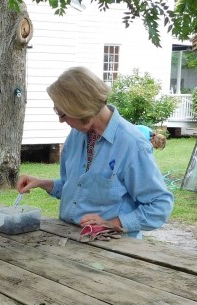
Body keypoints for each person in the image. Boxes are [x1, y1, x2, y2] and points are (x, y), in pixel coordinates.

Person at [16, 66, 174, 238]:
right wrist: (42, 182)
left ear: (82, 107)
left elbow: (160, 205)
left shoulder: (132, 144)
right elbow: (76, 189)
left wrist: (113, 223)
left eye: (63, 114)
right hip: (71, 239)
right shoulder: (76, 136)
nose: (61, 121)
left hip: (113, 249)